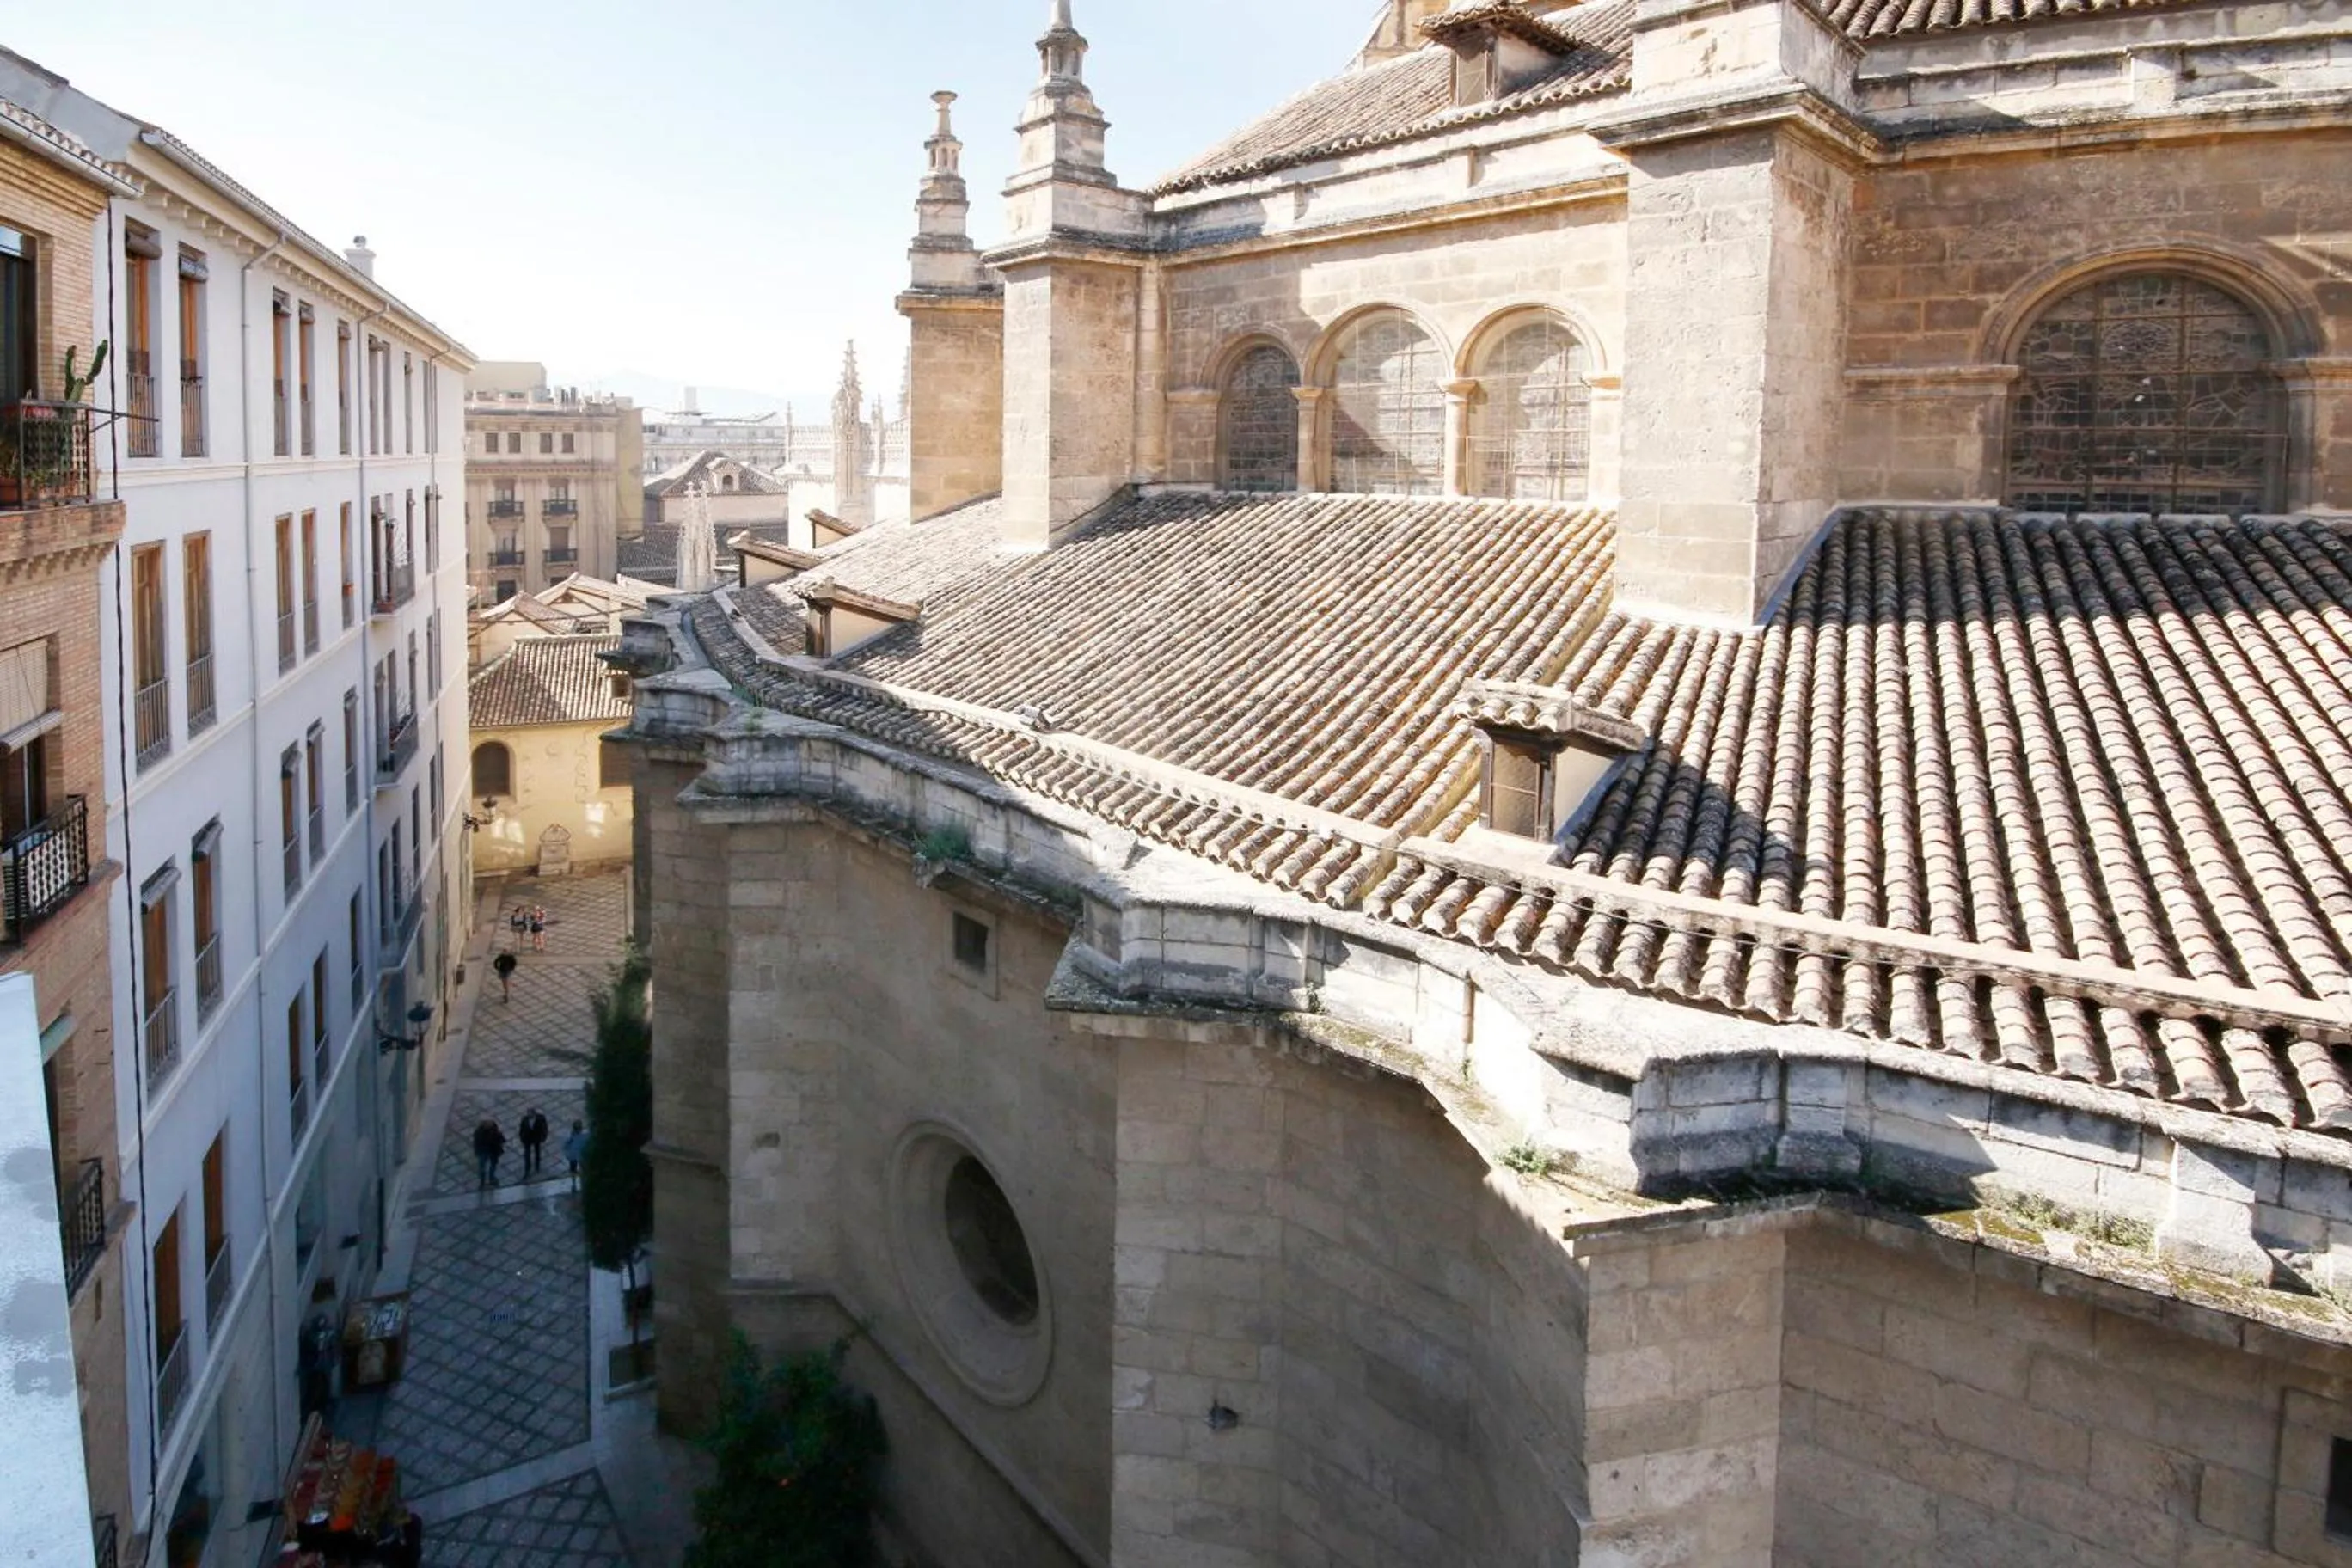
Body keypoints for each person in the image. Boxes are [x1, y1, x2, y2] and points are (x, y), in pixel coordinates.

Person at [472, 1118, 506, 1189]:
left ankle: (491, 1178)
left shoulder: (494, 1131)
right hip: (484, 1151)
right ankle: (483, 1181)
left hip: (493, 1151)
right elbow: (476, 1143)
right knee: (482, 1167)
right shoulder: (479, 1132)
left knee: (492, 1166)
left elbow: (502, 1139)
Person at [518, 1107, 549, 1177]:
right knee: (527, 1155)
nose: (529, 1115)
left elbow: (545, 1128)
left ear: (534, 1114)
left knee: (537, 1152)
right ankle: (527, 1170)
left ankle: (537, 1166)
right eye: (528, 1114)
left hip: (536, 1138)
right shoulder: (525, 1119)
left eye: (531, 1114)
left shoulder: (541, 1118)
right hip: (527, 1139)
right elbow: (521, 1129)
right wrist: (522, 1138)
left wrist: (543, 1137)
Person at [562, 1120, 588, 1189]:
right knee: (580, 1169)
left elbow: (565, 1146)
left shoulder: (571, 1137)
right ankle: (579, 1182)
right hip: (578, 1156)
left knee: (575, 1170)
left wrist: (567, 1154)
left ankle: (575, 1183)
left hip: (574, 1156)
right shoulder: (584, 1135)